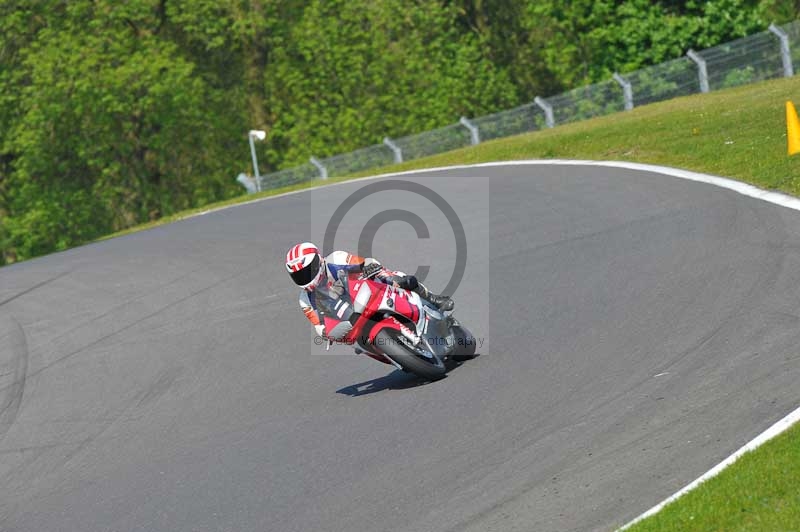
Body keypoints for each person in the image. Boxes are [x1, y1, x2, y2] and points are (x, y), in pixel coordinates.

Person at [285, 242, 454, 339]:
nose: (305, 277)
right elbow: (319, 325)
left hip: (366, 290)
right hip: (350, 320)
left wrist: (374, 269)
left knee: (398, 278)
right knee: (356, 343)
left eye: (307, 271)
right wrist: (328, 333)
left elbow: (364, 263)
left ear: (318, 260)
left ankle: (432, 299)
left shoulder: (336, 258)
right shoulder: (305, 300)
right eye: (299, 275)